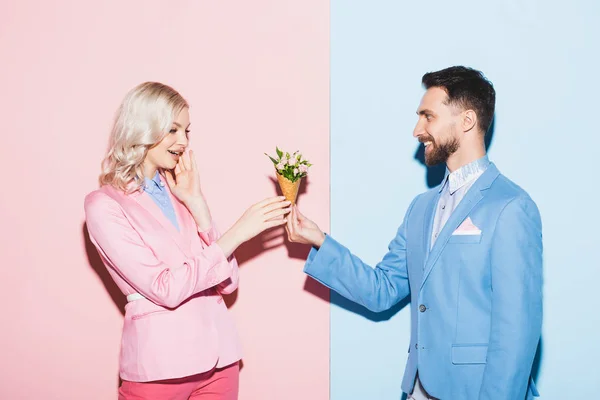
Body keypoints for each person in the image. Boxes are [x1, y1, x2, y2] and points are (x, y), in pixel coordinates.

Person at [286, 66, 542, 400]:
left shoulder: (511, 207)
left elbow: (517, 335)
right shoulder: (420, 208)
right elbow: (383, 289)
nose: (417, 129)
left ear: (466, 121)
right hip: (418, 389)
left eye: (428, 116)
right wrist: (319, 240)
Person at [84, 82, 290, 399]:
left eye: (187, 131)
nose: (183, 141)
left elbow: (229, 283)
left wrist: (197, 204)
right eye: (173, 130)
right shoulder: (104, 205)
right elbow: (164, 288)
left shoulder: (179, 190)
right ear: (143, 127)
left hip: (220, 362)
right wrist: (238, 232)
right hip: (160, 368)